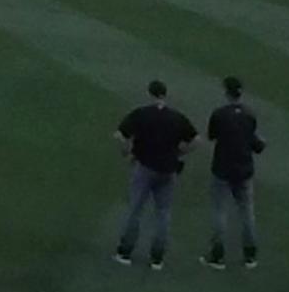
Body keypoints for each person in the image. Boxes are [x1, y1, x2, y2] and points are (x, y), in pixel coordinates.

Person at [114, 79, 200, 269]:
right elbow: (196, 140)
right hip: (168, 170)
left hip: (145, 167)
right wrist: (179, 153)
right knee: (163, 213)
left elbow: (120, 135)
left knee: (135, 209)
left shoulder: (142, 113)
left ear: (149, 94)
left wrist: (127, 154)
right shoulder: (176, 117)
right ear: (165, 95)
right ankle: (157, 257)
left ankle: (125, 252)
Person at [204, 76, 266, 270]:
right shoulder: (250, 114)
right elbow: (253, 141)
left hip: (222, 169)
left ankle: (217, 255)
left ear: (226, 92)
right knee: (247, 213)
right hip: (244, 169)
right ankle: (250, 255)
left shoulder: (220, 114)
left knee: (220, 211)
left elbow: (211, 136)